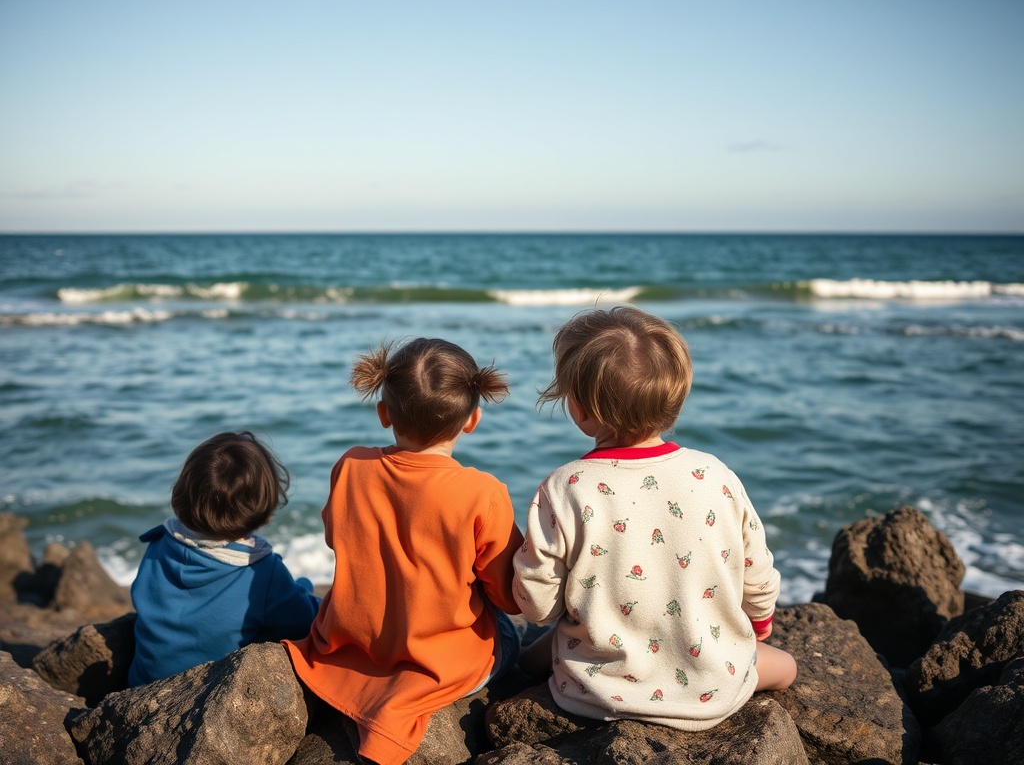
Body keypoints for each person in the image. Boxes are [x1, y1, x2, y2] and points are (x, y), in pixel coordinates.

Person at [513, 306, 797, 731]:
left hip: (598, 690)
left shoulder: (566, 486)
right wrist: (758, 625)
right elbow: (756, 574)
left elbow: (537, 605)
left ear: (580, 409)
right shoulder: (714, 474)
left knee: (535, 651)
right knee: (787, 668)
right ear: (675, 399)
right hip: (710, 687)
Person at [284, 338, 524, 765]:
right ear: (473, 420)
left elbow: (335, 535)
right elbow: (509, 595)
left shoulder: (350, 466)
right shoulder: (483, 493)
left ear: (384, 414)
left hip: (346, 648)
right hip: (441, 664)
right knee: (512, 635)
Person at [129, 431, 320, 687]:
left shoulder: (159, 543)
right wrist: (304, 588)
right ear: (262, 508)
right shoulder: (262, 572)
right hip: (207, 698)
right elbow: (304, 623)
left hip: (141, 687)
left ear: (183, 492)